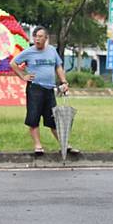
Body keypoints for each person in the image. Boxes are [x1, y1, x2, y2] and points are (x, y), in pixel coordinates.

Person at [10, 26, 77, 156]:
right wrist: (23, 75)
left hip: (49, 89)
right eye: (35, 36)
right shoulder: (29, 52)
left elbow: (58, 66)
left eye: (40, 36)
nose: (37, 39)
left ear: (46, 38)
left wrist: (64, 82)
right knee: (33, 118)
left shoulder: (52, 51)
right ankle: (38, 145)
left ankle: (65, 144)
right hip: (35, 88)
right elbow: (13, 63)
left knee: (53, 119)